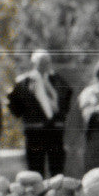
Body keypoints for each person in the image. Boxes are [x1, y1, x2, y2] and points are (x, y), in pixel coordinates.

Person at [7, 49, 73, 177]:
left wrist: (61, 117)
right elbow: (12, 102)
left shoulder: (58, 80)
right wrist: (26, 116)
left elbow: (67, 97)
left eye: (46, 61)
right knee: (35, 168)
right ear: (34, 62)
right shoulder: (24, 82)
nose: (44, 65)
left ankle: (56, 194)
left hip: (55, 130)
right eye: (40, 62)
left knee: (57, 166)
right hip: (34, 130)